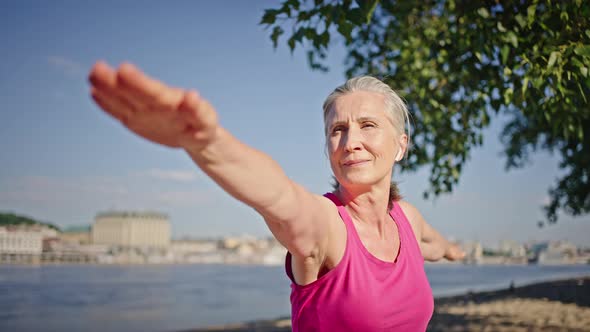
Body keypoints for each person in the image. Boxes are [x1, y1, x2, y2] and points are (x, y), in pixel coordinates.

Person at [88, 61, 465, 331]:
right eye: (338, 130)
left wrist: (453, 250)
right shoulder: (327, 226)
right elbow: (279, 197)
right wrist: (206, 143)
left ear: (401, 145)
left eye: (368, 125)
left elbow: (432, 243)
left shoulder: (406, 218)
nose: (351, 142)